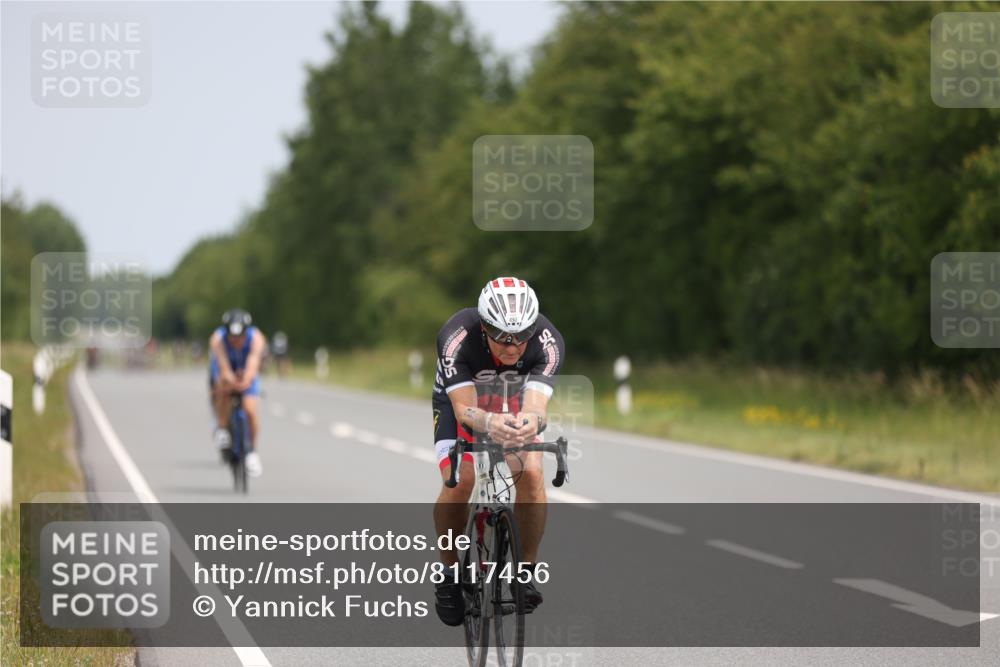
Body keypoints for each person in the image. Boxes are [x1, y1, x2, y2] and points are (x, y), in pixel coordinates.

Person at [431, 277, 565, 626]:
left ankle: (525, 572)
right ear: (484, 326)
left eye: (522, 336)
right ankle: (447, 573)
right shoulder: (457, 336)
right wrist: (490, 425)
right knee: (459, 482)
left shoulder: (548, 343)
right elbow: (464, 412)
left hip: (513, 402)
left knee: (532, 472)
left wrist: (526, 425)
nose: (513, 347)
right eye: (503, 337)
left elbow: (537, 410)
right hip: (462, 402)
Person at [209, 309, 267, 477]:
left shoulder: (256, 338)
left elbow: (253, 362)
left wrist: (246, 381)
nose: (235, 340)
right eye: (232, 337)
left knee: (250, 410)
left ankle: (252, 452)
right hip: (226, 369)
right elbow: (223, 365)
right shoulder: (217, 339)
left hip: (247, 371)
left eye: (239, 337)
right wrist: (230, 380)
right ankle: (222, 427)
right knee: (223, 388)